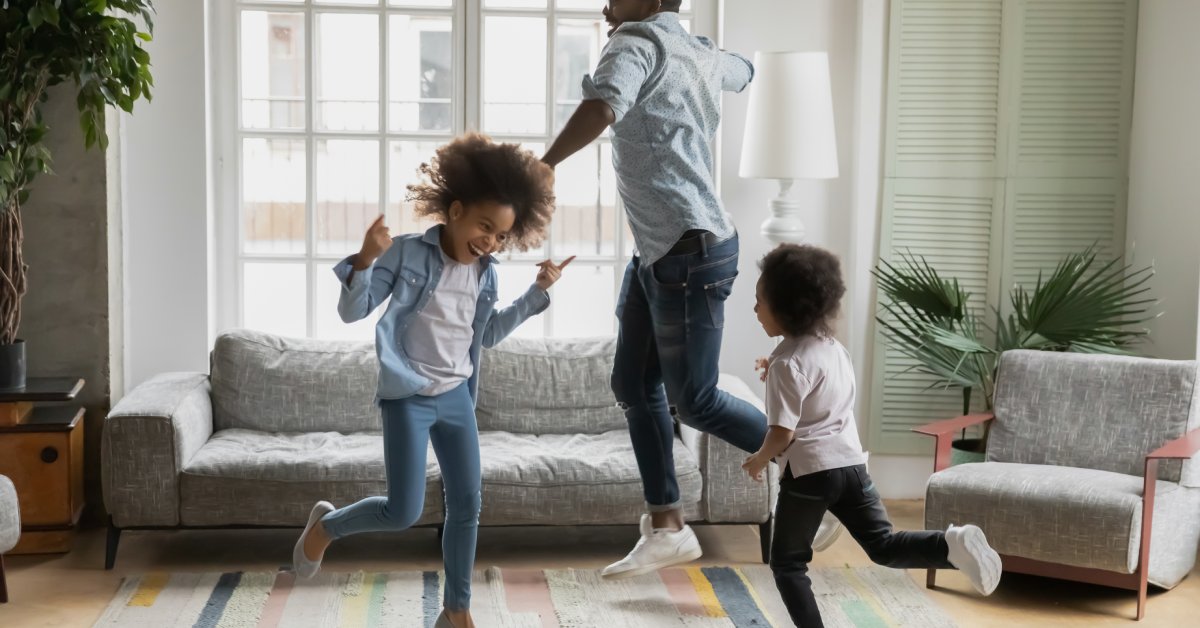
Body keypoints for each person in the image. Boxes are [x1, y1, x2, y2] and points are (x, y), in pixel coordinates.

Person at [541, 0, 841, 579]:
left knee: (695, 400)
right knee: (632, 383)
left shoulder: (637, 44)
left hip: (688, 252)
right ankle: (669, 527)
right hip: (662, 250)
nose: (605, 6)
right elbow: (744, 72)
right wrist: (715, 65)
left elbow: (605, 104)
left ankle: (823, 477)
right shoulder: (696, 50)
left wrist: (545, 163)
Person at [291, 133, 571, 628]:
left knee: (468, 506)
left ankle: (456, 611)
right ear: (456, 210)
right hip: (409, 399)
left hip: (457, 398)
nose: (490, 241)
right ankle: (326, 527)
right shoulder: (404, 255)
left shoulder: (487, 273)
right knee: (402, 511)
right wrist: (364, 258)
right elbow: (351, 312)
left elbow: (486, 335)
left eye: (502, 235)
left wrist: (536, 292)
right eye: (485, 227)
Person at [742, 243, 1002, 627]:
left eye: (760, 301)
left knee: (787, 563)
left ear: (787, 309)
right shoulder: (833, 349)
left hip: (810, 474)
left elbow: (782, 432)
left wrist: (760, 458)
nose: (755, 308)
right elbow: (813, 379)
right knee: (883, 544)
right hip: (850, 466)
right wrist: (775, 361)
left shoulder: (786, 364)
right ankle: (951, 544)